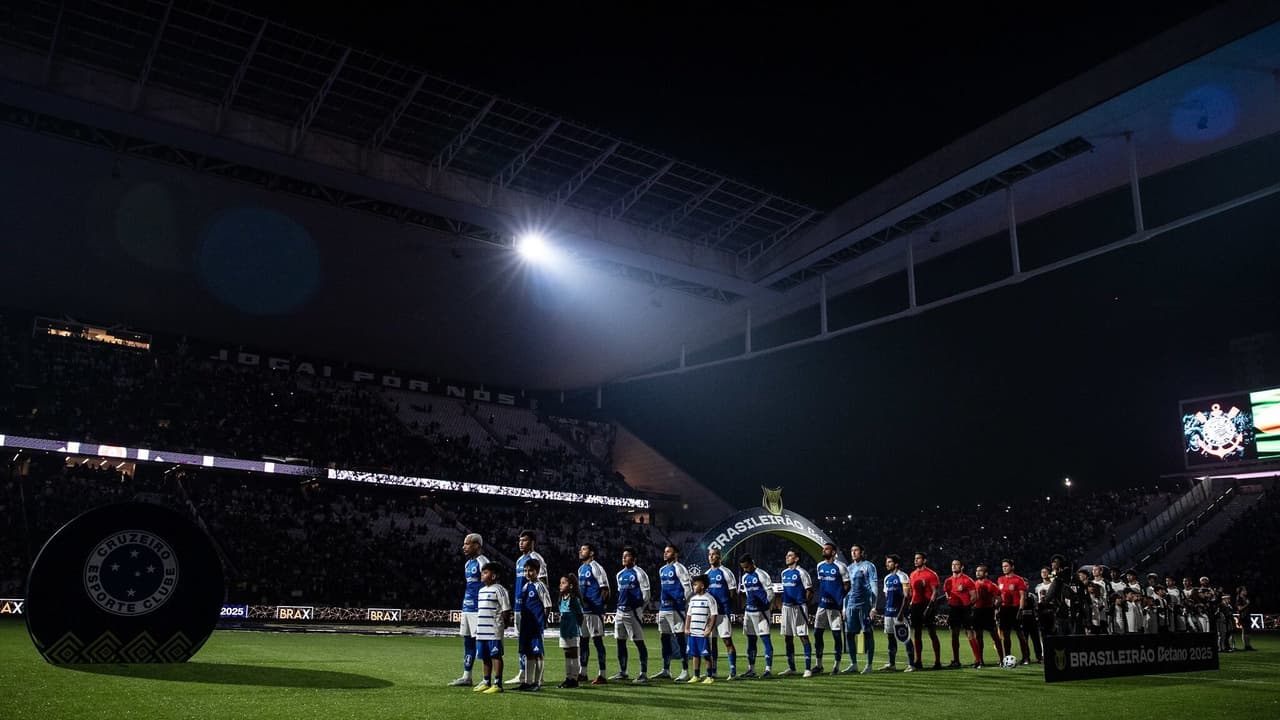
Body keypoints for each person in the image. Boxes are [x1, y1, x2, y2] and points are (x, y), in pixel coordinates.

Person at [449, 532, 490, 687]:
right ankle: (467, 676)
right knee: (468, 643)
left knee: (481, 644)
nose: (463, 547)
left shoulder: (483, 562)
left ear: (477, 545)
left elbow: (489, 585)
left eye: (467, 544)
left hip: (478, 610)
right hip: (467, 608)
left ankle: (486, 679)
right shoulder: (467, 564)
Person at [511, 530, 548, 686]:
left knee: (535, 646)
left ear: (532, 542)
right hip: (520, 607)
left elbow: (543, 582)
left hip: (533, 612)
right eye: (520, 540)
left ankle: (537, 678)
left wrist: (543, 612)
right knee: (522, 641)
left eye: (524, 540)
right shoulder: (520, 560)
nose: (521, 543)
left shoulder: (536, 559)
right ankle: (523, 673)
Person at [610, 546, 651, 683]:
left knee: (639, 642)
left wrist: (639, 608)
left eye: (627, 555)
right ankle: (623, 671)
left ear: (634, 558)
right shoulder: (619, 574)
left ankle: (643, 673)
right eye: (623, 555)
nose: (624, 558)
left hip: (632, 612)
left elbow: (646, 594)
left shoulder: (639, 573)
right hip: (620, 611)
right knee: (620, 641)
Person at [656, 544, 692, 681]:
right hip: (664, 608)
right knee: (664, 638)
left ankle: (685, 670)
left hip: (676, 609)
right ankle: (666, 669)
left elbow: (687, 588)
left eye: (668, 551)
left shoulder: (679, 568)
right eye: (664, 551)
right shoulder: (662, 570)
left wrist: (683, 603)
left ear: (675, 554)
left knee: (680, 639)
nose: (665, 554)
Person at [474, 563, 511, 694]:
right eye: (482, 573)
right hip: (482, 630)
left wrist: (505, 623)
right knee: (485, 656)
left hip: (493, 630)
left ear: (494, 576)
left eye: (485, 573)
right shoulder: (481, 590)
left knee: (495, 655)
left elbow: (506, 609)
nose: (482, 575)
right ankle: (486, 681)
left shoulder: (499, 589)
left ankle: (497, 683)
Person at [577, 543, 611, 684]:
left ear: (591, 553)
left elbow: (605, 589)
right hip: (583, 611)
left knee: (597, 642)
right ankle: (582, 672)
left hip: (594, 612)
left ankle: (602, 674)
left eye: (584, 549)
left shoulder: (596, 567)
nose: (580, 551)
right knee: (583, 642)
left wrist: (599, 607)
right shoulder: (581, 569)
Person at [812, 542, 849, 675]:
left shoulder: (841, 566)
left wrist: (840, 599)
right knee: (817, 634)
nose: (824, 550)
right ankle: (819, 665)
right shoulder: (819, 566)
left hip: (834, 607)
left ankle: (836, 666)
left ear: (833, 552)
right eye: (824, 549)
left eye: (827, 549)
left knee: (836, 636)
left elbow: (847, 585)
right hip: (822, 606)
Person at [517, 558, 553, 691]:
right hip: (526, 625)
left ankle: (537, 683)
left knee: (538, 653)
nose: (528, 573)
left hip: (536, 625)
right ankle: (527, 681)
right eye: (525, 570)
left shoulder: (540, 585)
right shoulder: (526, 586)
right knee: (528, 653)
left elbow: (547, 605)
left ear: (537, 572)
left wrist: (544, 620)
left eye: (531, 571)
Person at [842, 544, 878, 674]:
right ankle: (854, 664)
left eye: (856, 550)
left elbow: (874, 586)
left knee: (867, 633)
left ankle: (869, 665)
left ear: (862, 552)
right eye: (851, 550)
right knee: (849, 634)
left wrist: (873, 607)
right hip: (851, 604)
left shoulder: (869, 566)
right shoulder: (849, 568)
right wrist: (844, 608)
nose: (853, 553)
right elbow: (846, 589)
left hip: (864, 605)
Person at [738, 554, 775, 678]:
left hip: (761, 613)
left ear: (752, 563)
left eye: (747, 567)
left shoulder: (762, 575)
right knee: (751, 641)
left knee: (765, 640)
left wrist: (765, 606)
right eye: (743, 568)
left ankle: (768, 670)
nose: (745, 570)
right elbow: (748, 595)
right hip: (749, 612)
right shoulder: (744, 577)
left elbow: (770, 593)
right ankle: (751, 669)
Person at [875, 553, 914, 672]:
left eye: (890, 562)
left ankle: (911, 664)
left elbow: (907, 596)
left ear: (896, 564)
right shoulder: (887, 578)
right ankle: (891, 664)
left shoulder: (902, 576)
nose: (887, 564)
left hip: (899, 613)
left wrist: (902, 612)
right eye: (887, 562)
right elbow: (887, 596)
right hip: (888, 613)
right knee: (890, 637)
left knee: (905, 637)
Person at [779, 548, 815, 677]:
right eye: (787, 555)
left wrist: (803, 603)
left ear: (796, 558)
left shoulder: (802, 573)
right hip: (786, 608)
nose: (786, 557)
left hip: (798, 608)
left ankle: (807, 669)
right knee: (787, 638)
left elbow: (810, 590)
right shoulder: (784, 573)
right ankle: (791, 668)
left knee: (803, 636)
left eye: (790, 555)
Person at [704, 547, 738, 679]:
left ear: (720, 557)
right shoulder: (706, 574)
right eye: (709, 555)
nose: (711, 557)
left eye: (714, 555)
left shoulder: (726, 572)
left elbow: (733, 592)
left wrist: (727, 606)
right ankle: (714, 670)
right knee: (713, 643)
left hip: (723, 613)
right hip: (711, 615)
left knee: (727, 641)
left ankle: (733, 671)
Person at [942, 559, 979, 668]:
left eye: (956, 564)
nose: (954, 566)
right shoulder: (948, 581)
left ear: (962, 567)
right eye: (952, 564)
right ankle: (956, 661)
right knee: (954, 635)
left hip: (965, 609)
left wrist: (966, 605)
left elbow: (975, 597)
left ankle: (978, 660)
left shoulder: (967, 580)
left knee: (970, 633)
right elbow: (947, 596)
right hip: (954, 609)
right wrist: (951, 600)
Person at [683, 573, 719, 684]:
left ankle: (709, 676)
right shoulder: (693, 600)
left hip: (703, 633)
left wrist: (709, 629)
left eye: (695, 585)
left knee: (706, 655)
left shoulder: (710, 599)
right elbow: (689, 615)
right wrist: (687, 627)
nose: (693, 587)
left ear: (702, 586)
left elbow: (714, 615)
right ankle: (696, 675)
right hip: (693, 632)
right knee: (695, 654)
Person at [996, 558, 1031, 664]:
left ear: (1012, 567)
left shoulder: (1018, 580)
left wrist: (1020, 610)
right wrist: (997, 608)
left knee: (1020, 634)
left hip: (1015, 609)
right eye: (1003, 566)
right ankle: (1007, 657)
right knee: (1006, 635)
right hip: (1004, 609)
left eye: (1006, 566)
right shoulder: (1000, 579)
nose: (1004, 568)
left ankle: (1026, 658)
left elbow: (1022, 596)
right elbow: (1000, 596)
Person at [557, 574, 585, 688]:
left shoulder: (574, 599)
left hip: (572, 631)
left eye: (564, 583)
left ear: (571, 585)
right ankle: (568, 678)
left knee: (574, 654)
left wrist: (576, 627)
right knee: (567, 654)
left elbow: (580, 616)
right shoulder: (561, 598)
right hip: (564, 632)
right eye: (560, 583)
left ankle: (574, 679)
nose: (561, 585)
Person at [971, 564, 1001, 667]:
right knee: (978, 637)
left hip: (988, 612)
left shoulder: (991, 585)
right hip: (977, 612)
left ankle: (1001, 659)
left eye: (980, 571)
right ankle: (980, 660)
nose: (978, 573)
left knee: (995, 637)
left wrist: (994, 607)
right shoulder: (973, 584)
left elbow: (999, 599)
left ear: (986, 573)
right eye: (977, 571)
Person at [1236, 586, 1255, 650]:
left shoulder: (1246, 598)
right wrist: (1247, 604)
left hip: (1247, 616)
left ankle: (1248, 645)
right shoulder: (1239, 598)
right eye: (1244, 590)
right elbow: (1239, 608)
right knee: (1245, 631)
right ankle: (1246, 646)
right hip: (1243, 616)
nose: (1246, 591)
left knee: (1248, 631)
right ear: (1241, 592)